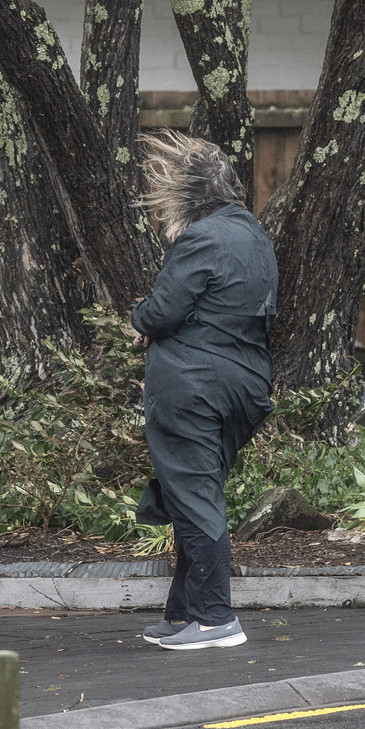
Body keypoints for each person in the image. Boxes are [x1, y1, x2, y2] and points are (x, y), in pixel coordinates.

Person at [132, 130, 277, 651]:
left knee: (193, 496)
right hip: (245, 385)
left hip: (193, 384)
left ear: (188, 195)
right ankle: (185, 612)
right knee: (195, 491)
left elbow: (163, 310)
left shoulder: (200, 238)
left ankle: (215, 619)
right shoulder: (253, 235)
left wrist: (138, 318)